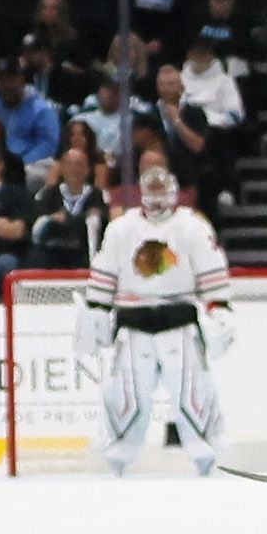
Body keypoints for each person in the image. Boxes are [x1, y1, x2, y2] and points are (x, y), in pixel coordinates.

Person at [77, 159, 236, 478]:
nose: (158, 199)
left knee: (194, 394)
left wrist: (219, 310)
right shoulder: (122, 228)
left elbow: (211, 273)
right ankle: (117, 458)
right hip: (133, 324)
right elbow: (105, 272)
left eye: (163, 191)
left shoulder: (193, 226)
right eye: (152, 191)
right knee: (126, 396)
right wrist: (96, 311)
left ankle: (207, 456)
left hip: (180, 322)